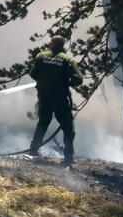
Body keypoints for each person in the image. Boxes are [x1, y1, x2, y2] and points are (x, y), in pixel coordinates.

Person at [28, 35, 84, 165]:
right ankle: (68, 157)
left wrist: (44, 82)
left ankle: (33, 150)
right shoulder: (67, 59)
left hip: (43, 96)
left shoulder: (41, 56)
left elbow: (33, 74)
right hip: (59, 98)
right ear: (63, 45)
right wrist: (68, 83)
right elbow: (78, 78)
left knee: (43, 122)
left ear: (51, 43)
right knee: (68, 128)